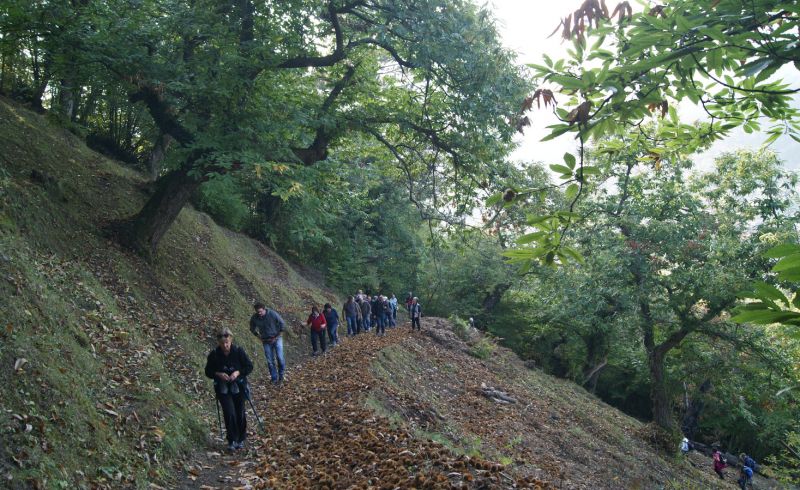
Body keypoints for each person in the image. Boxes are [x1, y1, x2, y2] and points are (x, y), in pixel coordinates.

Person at [204, 328, 253, 451]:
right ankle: (231, 440)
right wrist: (218, 374)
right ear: (218, 342)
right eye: (222, 343)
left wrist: (238, 372)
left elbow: (249, 366)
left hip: (239, 386)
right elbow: (208, 371)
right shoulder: (214, 354)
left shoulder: (238, 351)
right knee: (229, 412)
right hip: (223, 388)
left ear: (231, 340)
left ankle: (241, 438)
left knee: (240, 412)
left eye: (227, 342)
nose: (225, 345)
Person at [249, 302, 286, 385]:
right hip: (266, 340)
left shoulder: (272, 314)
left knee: (280, 357)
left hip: (277, 338)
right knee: (270, 361)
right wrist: (258, 336)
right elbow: (252, 328)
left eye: (261, 311)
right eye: (257, 312)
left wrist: (278, 336)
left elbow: (282, 323)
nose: (259, 313)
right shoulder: (254, 317)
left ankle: (281, 376)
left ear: (264, 309)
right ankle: (274, 378)